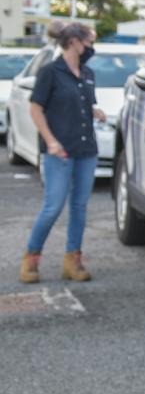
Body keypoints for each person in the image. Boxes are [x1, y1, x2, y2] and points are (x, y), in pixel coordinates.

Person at [19, 22, 105, 284]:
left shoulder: (87, 73)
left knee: (79, 207)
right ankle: (32, 257)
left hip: (85, 149)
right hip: (59, 151)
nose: (91, 48)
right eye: (89, 42)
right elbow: (36, 109)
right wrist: (51, 141)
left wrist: (95, 111)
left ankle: (73, 260)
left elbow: (82, 103)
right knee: (53, 206)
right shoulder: (50, 72)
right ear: (74, 43)